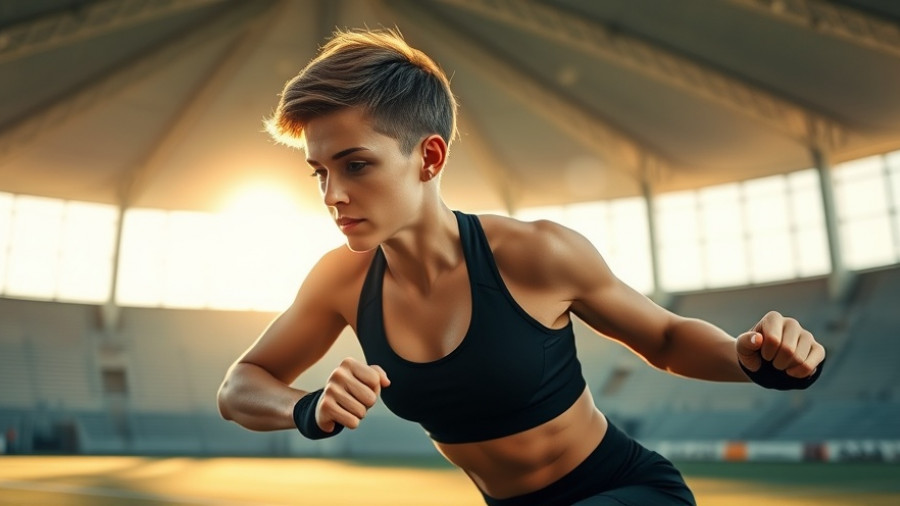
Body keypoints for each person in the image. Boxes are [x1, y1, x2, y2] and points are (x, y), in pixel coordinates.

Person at [216, 28, 826, 505]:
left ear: (429, 157)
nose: (332, 195)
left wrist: (753, 361)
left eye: (356, 165)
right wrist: (307, 409)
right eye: (319, 173)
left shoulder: (536, 255)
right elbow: (240, 387)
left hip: (626, 490)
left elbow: (665, 338)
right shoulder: (340, 282)